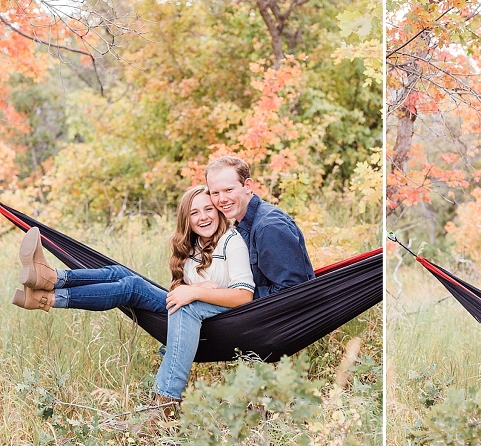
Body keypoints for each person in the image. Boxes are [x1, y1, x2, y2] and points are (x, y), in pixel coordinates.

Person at [10, 185, 254, 418]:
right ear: (186, 219)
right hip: (191, 310)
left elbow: (244, 296)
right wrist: (196, 288)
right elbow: (186, 291)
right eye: (194, 212)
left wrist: (197, 292)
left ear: (218, 211)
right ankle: (51, 283)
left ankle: (50, 295)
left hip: (220, 319)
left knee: (135, 287)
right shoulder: (193, 246)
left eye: (208, 209)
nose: (203, 217)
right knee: (123, 278)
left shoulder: (231, 242)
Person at [204, 156, 315, 298]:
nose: (222, 199)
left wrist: (236, 297)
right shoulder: (241, 225)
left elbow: (293, 291)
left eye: (229, 190)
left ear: (248, 186)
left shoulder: (269, 227)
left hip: (280, 316)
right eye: (215, 193)